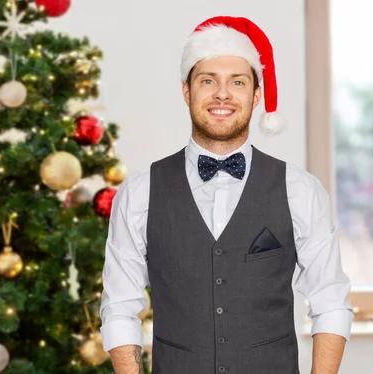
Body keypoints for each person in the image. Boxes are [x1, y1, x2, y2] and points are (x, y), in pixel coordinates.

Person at [98, 15, 353, 374]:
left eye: (237, 81)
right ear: (187, 91)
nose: (222, 94)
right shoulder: (140, 192)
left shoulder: (301, 190)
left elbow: (331, 302)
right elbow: (119, 307)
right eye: (208, 81)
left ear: (256, 94)